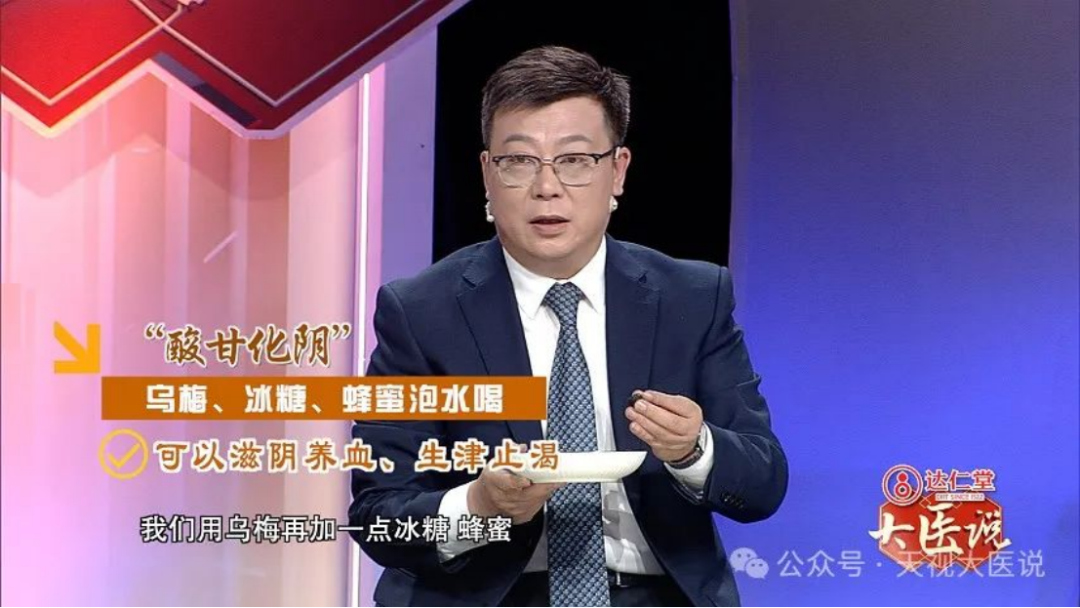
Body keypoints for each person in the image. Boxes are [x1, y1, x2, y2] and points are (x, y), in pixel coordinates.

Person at [348, 45, 788, 607]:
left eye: (575, 160)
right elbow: (378, 515)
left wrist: (693, 449)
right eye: (519, 160)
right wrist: (478, 506)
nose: (547, 187)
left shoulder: (693, 297)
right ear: (487, 173)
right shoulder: (421, 311)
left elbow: (763, 483)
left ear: (617, 171)